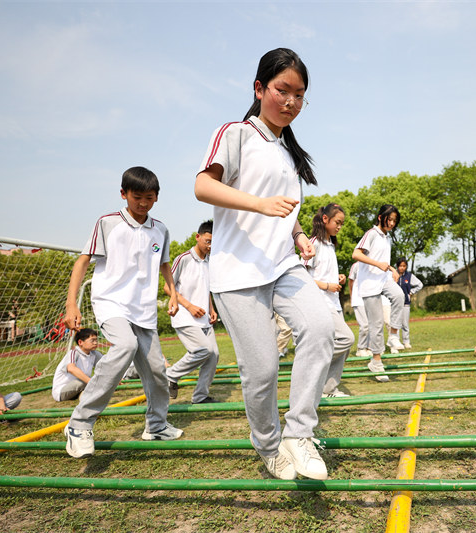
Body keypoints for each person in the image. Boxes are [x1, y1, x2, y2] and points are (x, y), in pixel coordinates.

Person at [194, 48, 334, 481]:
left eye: (299, 95)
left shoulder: (289, 154)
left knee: (323, 327)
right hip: (237, 274)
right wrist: (258, 205)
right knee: (263, 371)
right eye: (282, 91)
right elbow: (202, 186)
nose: (291, 102)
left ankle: (299, 434)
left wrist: (297, 237)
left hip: (282, 266)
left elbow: (285, 212)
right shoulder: (236, 134)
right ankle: (270, 446)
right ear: (259, 89)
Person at [63, 166, 182, 459]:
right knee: (125, 346)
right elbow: (82, 261)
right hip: (110, 302)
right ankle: (79, 424)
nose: (143, 203)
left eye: (150, 197)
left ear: (157, 197)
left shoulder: (160, 229)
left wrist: (174, 293)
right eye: (137, 196)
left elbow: (165, 263)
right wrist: (71, 303)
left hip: (143, 310)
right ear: (123, 194)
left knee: (157, 370)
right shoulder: (108, 223)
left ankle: (156, 425)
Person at [165, 220, 221, 404]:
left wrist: (212, 309)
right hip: (184, 316)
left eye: (214, 242)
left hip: (204, 318)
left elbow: (206, 289)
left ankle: (200, 396)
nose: (210, 246)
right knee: (203, 350)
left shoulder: (210, 262)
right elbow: (168, 287)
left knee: (213, 356)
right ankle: (171, 375)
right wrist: (189, 306)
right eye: (208, 241)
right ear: (198, 237)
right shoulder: (183, 259)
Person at [304, 203, 355, 398]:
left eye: (342, 224)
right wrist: (326, 286)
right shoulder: (313, 243)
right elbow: (302, 277)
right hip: (320, 302)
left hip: (333, 302)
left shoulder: (330, 245)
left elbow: (325, 274)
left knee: (345, 349)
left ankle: (328, 389)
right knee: (346, 338)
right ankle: (310, 363)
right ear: (325, 219)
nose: (340, 227)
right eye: (337, 222)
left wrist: (338, 278)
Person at [352, 204, 405, 382]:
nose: (391, 223)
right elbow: (356, 254)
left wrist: (391, 269)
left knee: (399, 296)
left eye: (394, 221)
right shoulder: (372, 234)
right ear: (381, 217)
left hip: (383, 279)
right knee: (376, 325)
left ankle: (394, 336)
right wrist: (378, 264)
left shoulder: (386, 237)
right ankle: (376, 361)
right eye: (389, 220)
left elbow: (383, 261)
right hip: (368, 284)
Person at [51, 328, 104, 402]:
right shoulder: (73, 353)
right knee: (84, 382)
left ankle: (83, 395)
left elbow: (106, 366)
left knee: (93, 381)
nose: (95, 343)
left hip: (80, 387)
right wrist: (92, 382)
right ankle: (86, 394)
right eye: (92, 340)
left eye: (96, 340)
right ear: (80, 342)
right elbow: (71, 369)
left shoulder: (94, 354)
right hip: (61, 392)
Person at [395, 257, 423, 349]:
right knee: (396, 323)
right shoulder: (393, 275)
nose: (402, 268)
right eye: (400, 266)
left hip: (405, 303)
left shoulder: (409, 276)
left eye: (404, 266)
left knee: (405, 324)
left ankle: (406, 342)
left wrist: (411, 292)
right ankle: (396, 341)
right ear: (397, 266)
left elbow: (420, 284)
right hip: (394, 303)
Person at [348, 262, 371, 358]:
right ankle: (360, 348)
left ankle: (368, 347)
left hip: (369, 298)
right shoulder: (356, 265)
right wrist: (351, 296)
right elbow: (350, 281)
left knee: (371, 325)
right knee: (364, 325)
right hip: (358, 300)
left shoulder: (372, 264)